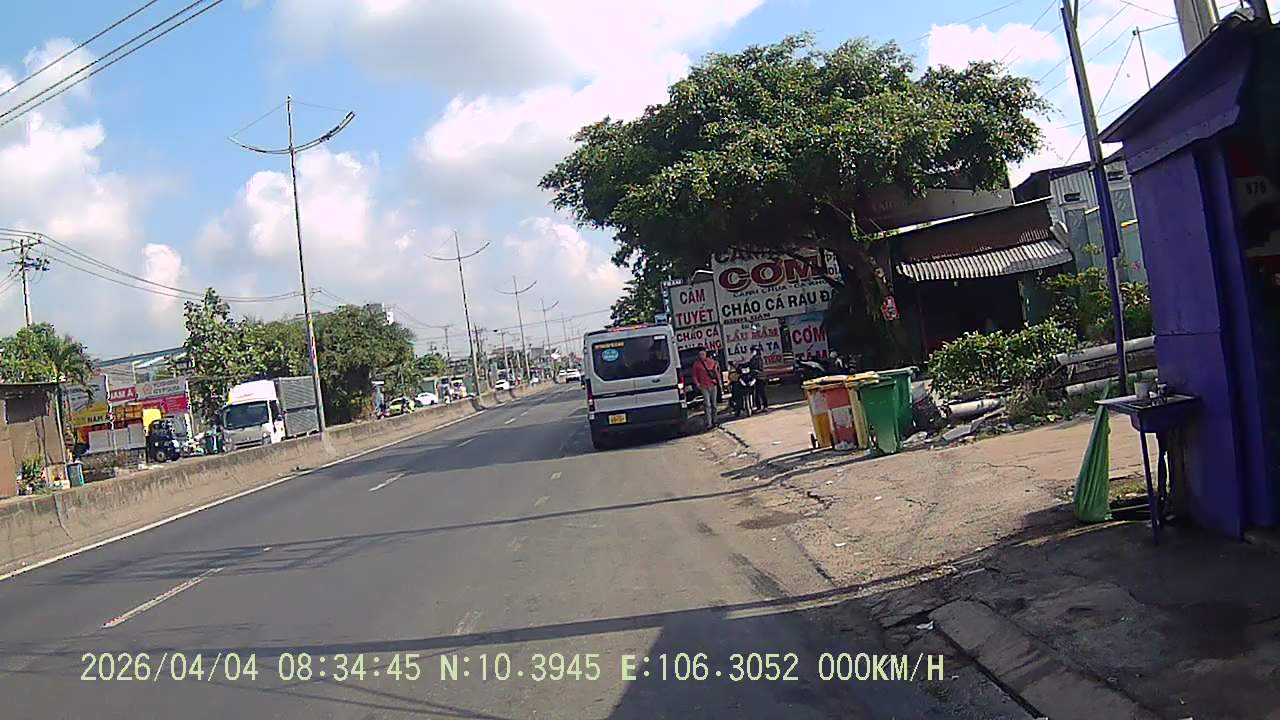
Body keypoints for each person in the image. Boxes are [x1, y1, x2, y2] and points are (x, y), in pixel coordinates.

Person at [691, 348, 721, 430]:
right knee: (707, 405)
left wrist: (719, 383)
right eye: (700, 354)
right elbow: (694, 375)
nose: (702, 356)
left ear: (706, 354)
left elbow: (717, 372)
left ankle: (715, 420)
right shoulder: (696, 364)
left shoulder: (711, 361)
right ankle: (709, 423)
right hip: (704, 386)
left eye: (703, 354)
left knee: (714, 405)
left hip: (713, 385)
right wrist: (697, 384)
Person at [748, 345, 769, 412]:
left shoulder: (759, 359)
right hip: (754, 377)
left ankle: (765, 406)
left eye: (753, 351)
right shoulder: (752, 359)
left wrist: (755, 370)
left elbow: (760, 368)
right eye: (752, 351)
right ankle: (758, 407)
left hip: (760, 377)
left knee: (761, 392)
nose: (752, 352)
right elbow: (748, 365)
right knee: (756, 393)